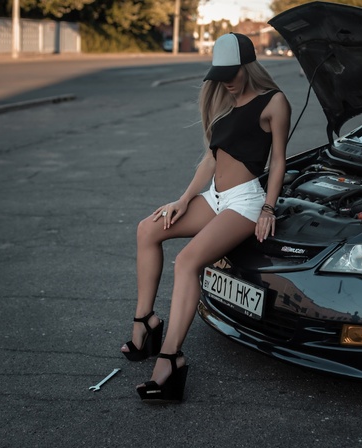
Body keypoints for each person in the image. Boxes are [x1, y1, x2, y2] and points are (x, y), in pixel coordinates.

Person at [120, 32, 291, 402]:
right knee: (147, 229)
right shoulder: (226, 105)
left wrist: (268, 207)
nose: (227, 81)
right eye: (220, 74)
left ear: (248, 65)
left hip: (244, 202)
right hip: (214, 197)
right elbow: (212, 159)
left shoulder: (274, 102)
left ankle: (170, 359)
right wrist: (183, 199)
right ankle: (145, 323)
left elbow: (278, 161)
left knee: (187, 262)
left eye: (232, 72)